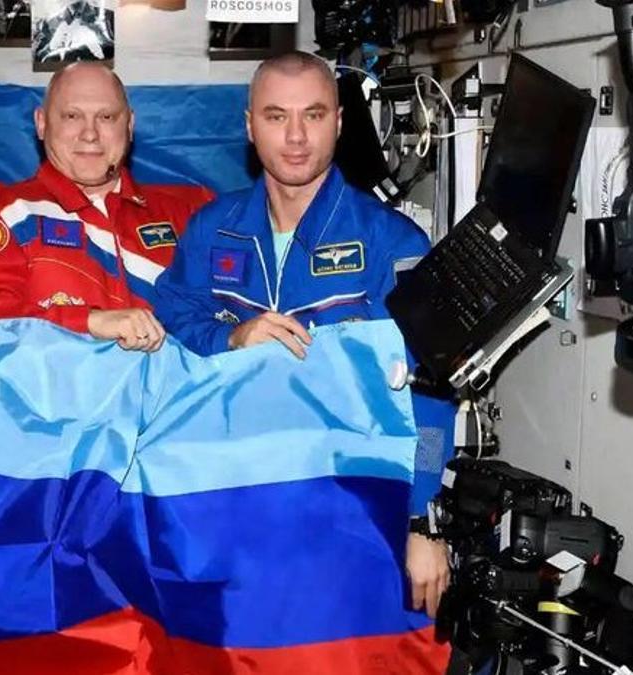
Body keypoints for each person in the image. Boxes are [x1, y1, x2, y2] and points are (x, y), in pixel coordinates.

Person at [153, 52, 454, 623]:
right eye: (275, 116)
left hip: (350, 511)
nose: (295, 137)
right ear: (249, 126)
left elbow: (430, 391)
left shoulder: (393, 243)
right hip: (231, 501)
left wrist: (420, 519)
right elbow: (172, 320)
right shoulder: (212, 228)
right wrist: (229, 339)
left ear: (339, 123)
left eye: (313, 115)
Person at [0, 62, 212, 351]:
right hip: (52, 394)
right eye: (72, 116)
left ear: (130, 125)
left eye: (107, 117)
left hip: (178, 394)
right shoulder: (4, 215)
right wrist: (89, 322)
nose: (90, 134)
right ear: (41, 123)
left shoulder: (191, 213)